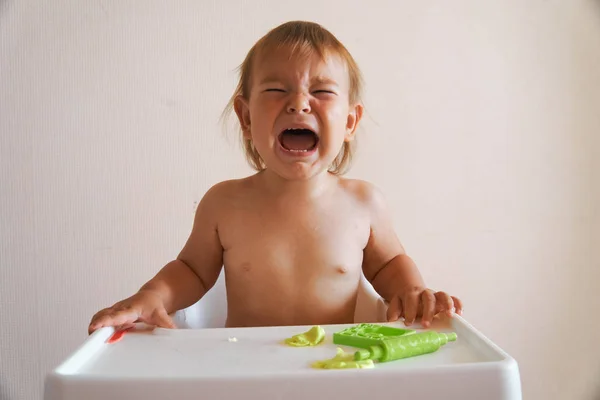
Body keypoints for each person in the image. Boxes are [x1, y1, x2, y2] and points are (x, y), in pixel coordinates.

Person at [88, 20, 462, 335]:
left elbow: (388, 264)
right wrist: (152, 295)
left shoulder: (363, 203)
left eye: (321, 91)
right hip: (248, 373)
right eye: (276, 90)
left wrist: (413, 291)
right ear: (246, 118)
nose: (299, 103)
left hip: (335, 369)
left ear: (349, 122)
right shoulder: (223, 203)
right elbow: (190, 271)